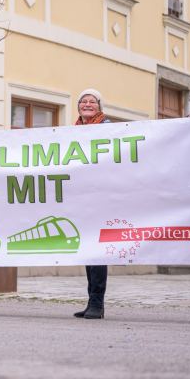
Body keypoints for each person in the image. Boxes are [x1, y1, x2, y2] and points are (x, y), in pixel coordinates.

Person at [72, 89, 112, 319]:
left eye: (92, 101)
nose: (87, 104)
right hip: (81, 197)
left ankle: (98, 303)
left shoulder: (108, 127)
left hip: (100, 196)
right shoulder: (73, 131)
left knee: (97, 249)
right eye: (83, 101)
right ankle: (91, 301)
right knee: (88, 249)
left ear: (99, 106)